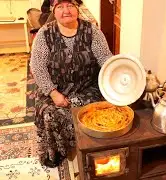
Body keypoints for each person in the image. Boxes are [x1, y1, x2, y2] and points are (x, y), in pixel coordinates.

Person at [30, 0, 112, 167]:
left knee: (96, 111)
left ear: (77, 8)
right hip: (55, 88)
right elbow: (37, 67)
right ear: (54, 9)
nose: (66, 11)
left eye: (70, 5)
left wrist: (119, 74)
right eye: (60, 7)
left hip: (86, 88)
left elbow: (105, 58)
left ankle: (89, 149)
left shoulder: (92, 31)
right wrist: (53, 93)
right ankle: (59, 151)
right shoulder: (45, 33)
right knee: (50, 113)